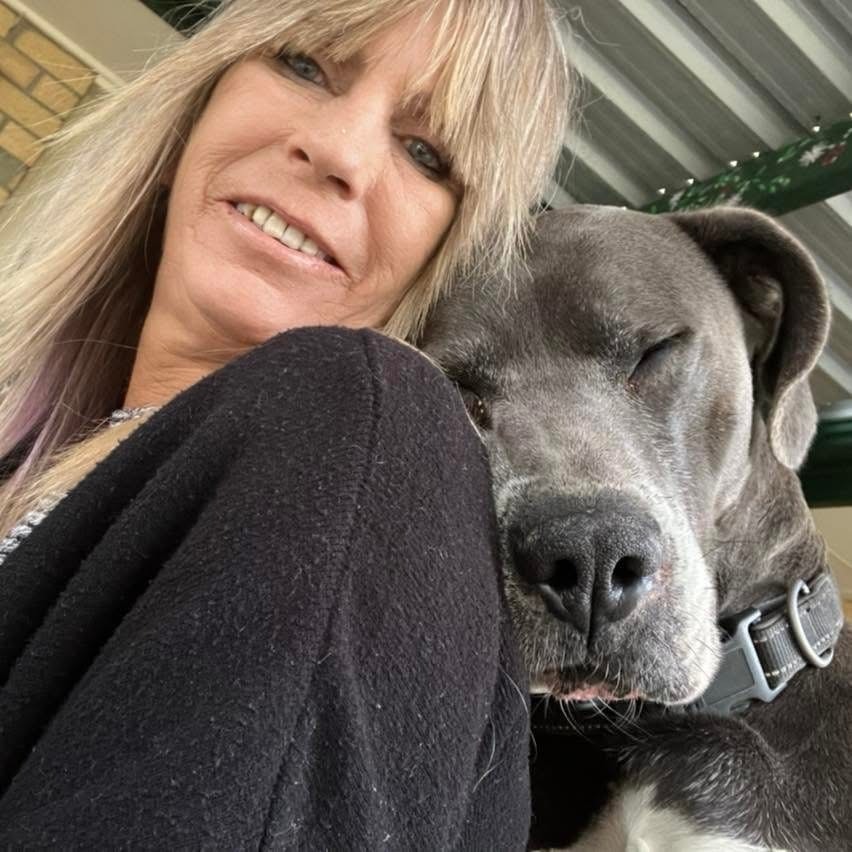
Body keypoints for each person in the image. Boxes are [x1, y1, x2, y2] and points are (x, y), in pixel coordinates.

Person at [0, 0, 572, 846]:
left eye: (427, 153)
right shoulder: (32, 449)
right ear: (197, 108)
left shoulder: (366, 422)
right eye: (304, 65)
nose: (338, 151)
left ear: (445, 263)